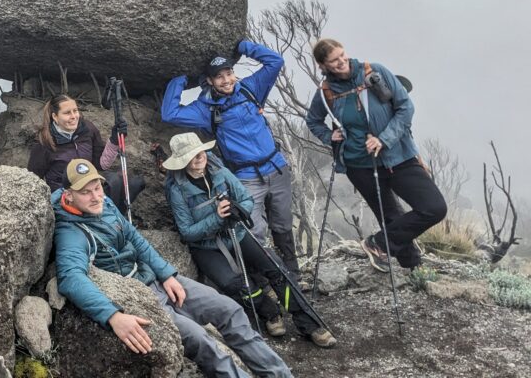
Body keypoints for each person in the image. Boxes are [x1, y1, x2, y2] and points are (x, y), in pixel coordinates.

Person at [54, 158, 294, 378]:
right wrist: (112, 316)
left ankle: (279, 374)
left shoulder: (104, 203)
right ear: (69, 195)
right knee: (200, 339)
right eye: (85, 192)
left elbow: (135, 238)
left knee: (228, 309)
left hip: (154, 278)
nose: (95, 196)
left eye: (97, 187)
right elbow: (70, 278)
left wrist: (166, 274)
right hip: (137, 296)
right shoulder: (72, 233)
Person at [163, 133, 336, 348]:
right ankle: (270, 312)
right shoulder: (176, 190)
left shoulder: (220, 172)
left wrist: (237, 210)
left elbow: (245, 198)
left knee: (276, 268)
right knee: (233, 283)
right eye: (192, 156)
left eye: (200, 152)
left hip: (237, 232)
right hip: (206, 246)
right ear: (182, 162)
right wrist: (217, 218)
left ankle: (308, 323)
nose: (199, 158)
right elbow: (187, 232)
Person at [161, 40, 301, 281]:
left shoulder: (250, 89)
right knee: (253, 231)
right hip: (246, 177)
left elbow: (275, 61)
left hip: (277, 167)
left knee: (283, 223)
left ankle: (294, 277)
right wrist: (183, 78)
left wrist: (244, 47)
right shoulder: (204, 109)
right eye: (219, 77)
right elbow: (169, 113)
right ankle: (265, 280)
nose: (227, 80)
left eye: (229, 73)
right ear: (209, 80)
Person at [306, 38, 446, 272]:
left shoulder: (375, 72)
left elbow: (405, 108)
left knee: (434, 207)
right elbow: (313, 120)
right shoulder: (326, 92)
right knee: (390, 216)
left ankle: (377, 243)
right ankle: (414, 269)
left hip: (398, 156)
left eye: (342, 55)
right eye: (334, 60)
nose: (342, 61)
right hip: (359, 165)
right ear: (323, 65)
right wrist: (329, 136)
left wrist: (383, 139)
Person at [27, 94, 144, 216]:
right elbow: (33, 180)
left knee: (126, 181)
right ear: (55, 117)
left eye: (75, 111)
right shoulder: (44, 143)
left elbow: (102, 164)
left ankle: (114, 219)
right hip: (65, 197)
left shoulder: (87, 129)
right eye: (67, 113)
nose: (74, 116)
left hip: (89, 189)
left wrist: (115, 140)